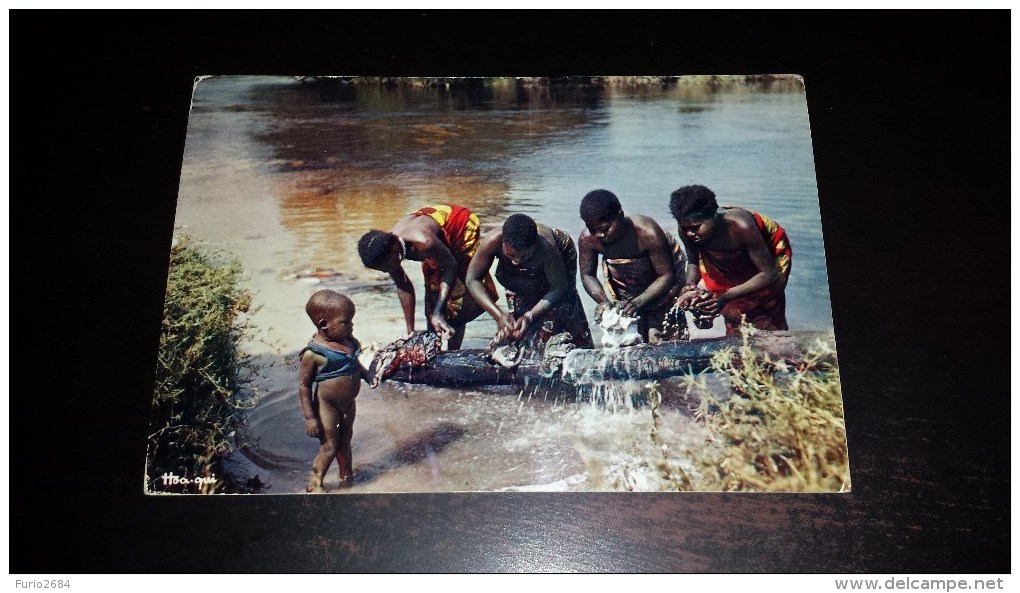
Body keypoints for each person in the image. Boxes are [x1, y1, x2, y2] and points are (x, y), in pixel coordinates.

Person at [357, 204, 498, 350]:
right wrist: (410, 332)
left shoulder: (423, 243)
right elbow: (403, 285)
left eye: (385, 268)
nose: (386, 271)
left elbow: (451, 266)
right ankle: (433, 349)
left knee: (457, 298)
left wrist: (439, 310)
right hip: (431, 235)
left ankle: (453, 351)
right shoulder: (386, 250)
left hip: (460, 225)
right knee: (432, 295)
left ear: (394, 249)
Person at [668, 184, 792, 333]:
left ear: (713, 216)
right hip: (723, 258)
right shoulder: (688, 229)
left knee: (764, 307)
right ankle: (737, 340)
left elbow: (769, 274)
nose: (689, 234)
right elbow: (694, 261)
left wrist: (726, 296)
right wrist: (689, 285)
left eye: (696, 227)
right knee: (730, 311)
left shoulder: (741, 226)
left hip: (769, 255)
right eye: (685, 228)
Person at [466, 213, 593, 349]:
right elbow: (472, 280)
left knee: (560, 310)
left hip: (560, 260)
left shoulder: (547, 248)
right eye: (511, 255)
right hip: (519, 279)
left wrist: (530, 315)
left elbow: (558, 288)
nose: (516, 262)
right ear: (503, 242)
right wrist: (498, 315)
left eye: (524, 256)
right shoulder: (492, 242)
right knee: (518, 320)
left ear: (535, 245)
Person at [577, 189, 688, 344]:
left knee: (664, 340)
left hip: (663, 287)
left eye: (605, 229)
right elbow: (587, 274)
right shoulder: (588, 239)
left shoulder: (647, 232)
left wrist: (638, 302)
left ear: (620, 216)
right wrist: (603, 301)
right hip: (627, 288)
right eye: (593, 230)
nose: (600, 235)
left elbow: (666, 275)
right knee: (629, 338)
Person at [297, 290, 375, 492]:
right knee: (329, 445)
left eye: (352, 321)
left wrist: (367, 376)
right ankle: (315, 484)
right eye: (345, 322)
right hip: (327, 406)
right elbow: (304, 386)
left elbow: (355, 365)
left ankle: (346, 475)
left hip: (349, 403)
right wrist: (310, 418)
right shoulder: (314, 354)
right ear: (324, 325)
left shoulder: (350, 342)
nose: (351, 326)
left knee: (346, 440)